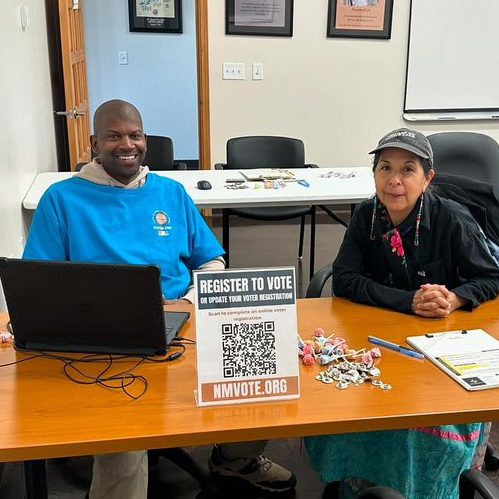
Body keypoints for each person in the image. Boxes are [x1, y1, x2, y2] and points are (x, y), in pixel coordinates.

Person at [23, 99, 296, 499]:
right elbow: (40, 282)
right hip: (104, 334)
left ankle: (236, 459)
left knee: (267, 370)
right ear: (95, 142)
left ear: (145, 140)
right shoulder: (62, 198)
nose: (126, 144)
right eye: (114, 136)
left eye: (134, 135)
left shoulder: (170, 191)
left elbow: (211, 260)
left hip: (180, 317)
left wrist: (187, 300)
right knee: (126, 436)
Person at [305, 128, 499, 499]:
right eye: (384, 168)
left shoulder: (452, 219)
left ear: (427, 179)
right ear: (374, 173)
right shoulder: (367, 216)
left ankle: (420, 487)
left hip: (437, 345)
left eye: (407, 170)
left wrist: (456, 298)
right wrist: (406, 301)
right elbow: (344, 279)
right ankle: (356, 479)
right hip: (379, 337)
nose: (394, 181)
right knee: (343, 402)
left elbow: (491, 275)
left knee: (414, 417)